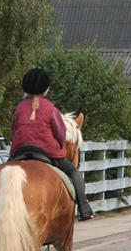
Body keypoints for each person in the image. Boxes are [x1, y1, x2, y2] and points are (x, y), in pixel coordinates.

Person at [10, 67, 95, 221]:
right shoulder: (51, 109)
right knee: (74, 172)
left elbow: (14, 128)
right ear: (46, 90)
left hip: (20, 151)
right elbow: (61, 133)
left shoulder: (19, 107)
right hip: (46, 152)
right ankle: (84, 207)